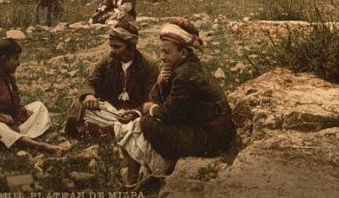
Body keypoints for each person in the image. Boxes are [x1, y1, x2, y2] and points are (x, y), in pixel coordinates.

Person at [113, 18, 236, 189]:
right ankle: (136, 177)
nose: (162, 57)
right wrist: (160, 84)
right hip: (209, 131)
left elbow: (168, 113)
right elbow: (162, 101)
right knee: (143, 121)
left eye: (167, 52)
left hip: (210, 139)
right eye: (161, 51)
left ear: (183, 53)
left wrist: (150, 110)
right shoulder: (183, 68)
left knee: (146, 124)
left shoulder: (185, 75)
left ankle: (156, 171)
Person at [0, 38, 61, 154]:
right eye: (15, 59)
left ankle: (17, 138)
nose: (18, 63)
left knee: (38, 106)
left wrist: (19, 115)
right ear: (4, 60)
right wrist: (6, 120)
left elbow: (15, 107)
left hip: (6, 121)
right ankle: (38, 145)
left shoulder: (9, 78)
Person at [65, 20, 160, 139]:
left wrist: (135, 112)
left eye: (117, 47)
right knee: (80, 103)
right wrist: (89, 95)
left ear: (131, 46)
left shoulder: (149, 66)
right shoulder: (107, 60)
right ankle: (112, 131)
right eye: (111, 46)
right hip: (110, 111)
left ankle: (108, 131)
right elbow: (91, 81)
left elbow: (151, 100)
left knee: (147, 123)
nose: (113, 51)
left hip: (134, 115)